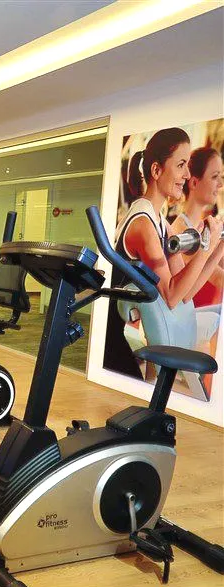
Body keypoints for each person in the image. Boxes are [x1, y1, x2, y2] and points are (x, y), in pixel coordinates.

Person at [104, 128, 224, 393]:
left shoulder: (160, 222)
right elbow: (171, 295)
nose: (187, 175)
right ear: (157, 170)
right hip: (114, 346)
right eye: (181, 165)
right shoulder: (143, 224)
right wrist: (205, 247)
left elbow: (185, 293)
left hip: (128, 338)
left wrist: (217, 247)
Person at [170, 147, 224, 388]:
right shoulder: (181, 232)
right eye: (215, 177)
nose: (220, 185)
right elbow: (216, 279)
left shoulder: (203, 227)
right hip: (181, 324)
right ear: (193, 182)